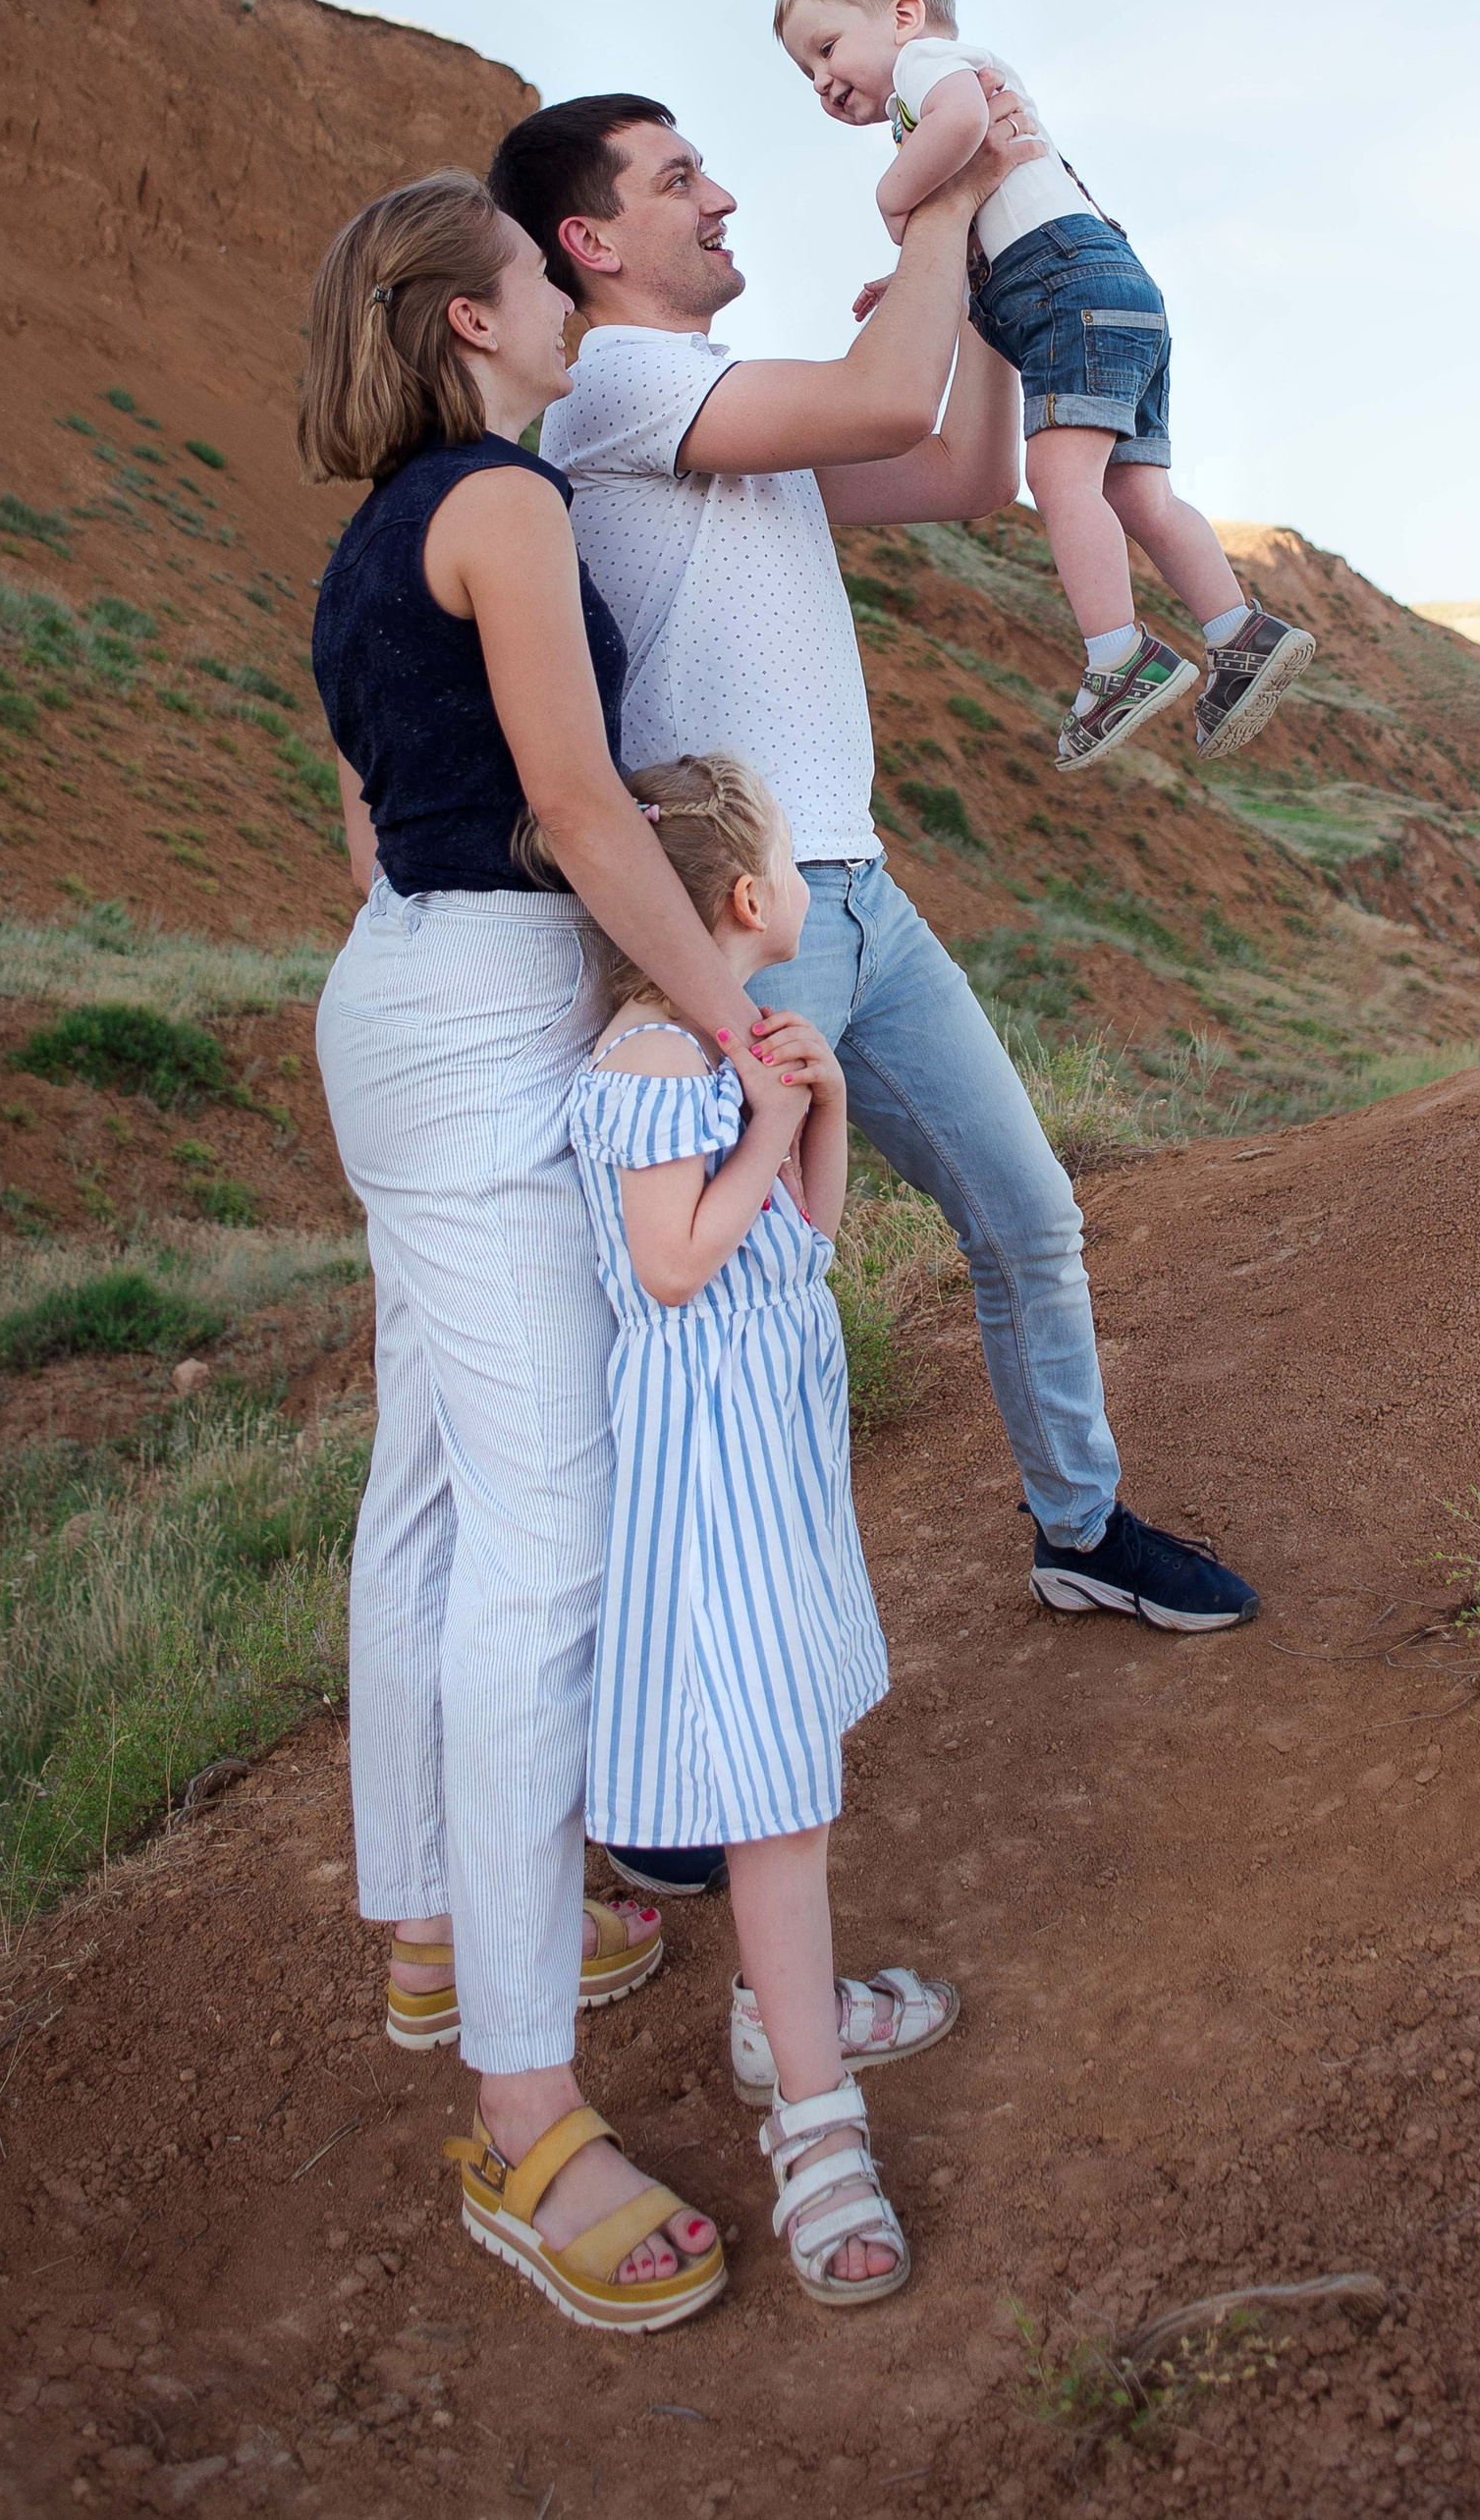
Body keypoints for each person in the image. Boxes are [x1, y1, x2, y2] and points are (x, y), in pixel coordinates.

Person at [489, 81, 1261, 1935]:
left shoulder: (721, 417)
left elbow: (950, 470)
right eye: (681, 178)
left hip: (855, 888)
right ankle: (667, 1763)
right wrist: (943, 199)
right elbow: (871, 403)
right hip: (736, 930)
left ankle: (1078, 1531)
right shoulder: (614, 387)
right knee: (729, 1339)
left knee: (1030, 1215)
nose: (722, 192)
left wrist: (998, 287)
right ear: (591, 245)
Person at [303, 169, 817, 2335]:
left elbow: (366, 813)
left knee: (428, 1491)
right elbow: (586, 801)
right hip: (492, 1004)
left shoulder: (363, 543)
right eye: (539, 285)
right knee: (549, 1543)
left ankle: (431, 1919)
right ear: (463, 321)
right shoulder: (501, 502)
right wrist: (728, 1020)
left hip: (404, 991)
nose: (565, 314)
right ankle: (523, 2121)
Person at [524, 750, 960, 2308]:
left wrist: (818, 1100)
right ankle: (815, 2121)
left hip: (774, 1458)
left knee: (799, 1743)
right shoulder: (649, 1062)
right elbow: (670, 1264)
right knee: (773, 1783)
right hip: (708, 1479)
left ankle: (789, 2010)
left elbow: (806, 1241)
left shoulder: (722, 1045)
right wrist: (768, 1119)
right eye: (787, 851)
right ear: (748, 896)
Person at [773, 0, 1316, 773]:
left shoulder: (931, 70)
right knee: (1139, 494)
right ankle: (1238, 630)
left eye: (828, 47)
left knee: (1058, 479)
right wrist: (916, 268)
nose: (820, 80)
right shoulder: (951, 88)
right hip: (1112, 283)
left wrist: (893, 196)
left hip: (1061, 286)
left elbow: (956, 130)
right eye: (806, 70)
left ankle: (1119, 655)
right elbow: (990, 201)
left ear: (905, 14)